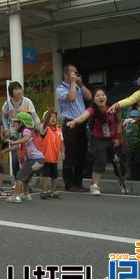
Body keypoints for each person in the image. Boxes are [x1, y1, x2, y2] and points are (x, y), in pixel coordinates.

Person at [67, 88, 121, 196]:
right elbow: (83, 117)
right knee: (101, 159)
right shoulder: (93, 109)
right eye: (97, 96)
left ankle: (122, 183)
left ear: (106, 96)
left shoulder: (113, 108)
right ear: (94, 99)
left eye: (103, 95)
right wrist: (74, 121)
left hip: (111, 137)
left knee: (119, 159)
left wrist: (117, 137)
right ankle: (95, 185)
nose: (101, 97)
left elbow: (119, 122)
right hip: (97, 138)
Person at [56, 64, 93, 192]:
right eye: (72, 73)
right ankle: (69, 184)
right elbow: (71, 98)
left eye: (76, 73)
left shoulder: (78, 86)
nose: (75, 75)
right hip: (70, 123)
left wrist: (80, 84)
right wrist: (72, 83)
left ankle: (79, 182)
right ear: (65, 75)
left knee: (82, 154)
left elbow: (89, 97)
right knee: (70, 155)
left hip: (81, 123)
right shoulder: (60, 89)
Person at [1, 81, 41, 184]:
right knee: (15, 158)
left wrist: (38, 127)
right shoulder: (7, 104)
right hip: (14, 133)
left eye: (20, 88)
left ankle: (27, 182)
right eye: (15, 89)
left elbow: (34, 115)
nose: (18, 91)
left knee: (28, 158)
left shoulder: (27, 102)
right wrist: (6, 129)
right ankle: (16, 180)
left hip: (27, 132)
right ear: (11, 92)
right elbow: (4, 117)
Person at [6, 112, 45, 203]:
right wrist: (6, 150)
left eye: (16, 122)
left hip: (34, 159)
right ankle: (26, 194)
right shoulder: (29, 131)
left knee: (20, 176)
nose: (13, 124)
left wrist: (15, 142)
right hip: (40, 160)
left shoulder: (26, 131)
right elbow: (23, 143)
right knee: (26, 177)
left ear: (22, 122)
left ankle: (15, 196)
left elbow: (27, 138)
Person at [38, 110, 64, 199]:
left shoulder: (58, 129)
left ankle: (54, 191)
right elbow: (44, 124)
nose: (53, 118)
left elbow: (61, 142)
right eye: (50, 117)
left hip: (54, 156)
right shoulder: (44, 128)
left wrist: (62, 152)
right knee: (45, 174)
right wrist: (47, 117)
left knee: (55, 175)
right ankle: (44, 191)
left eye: (55, 117)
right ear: (46, 119)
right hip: (45, 156)